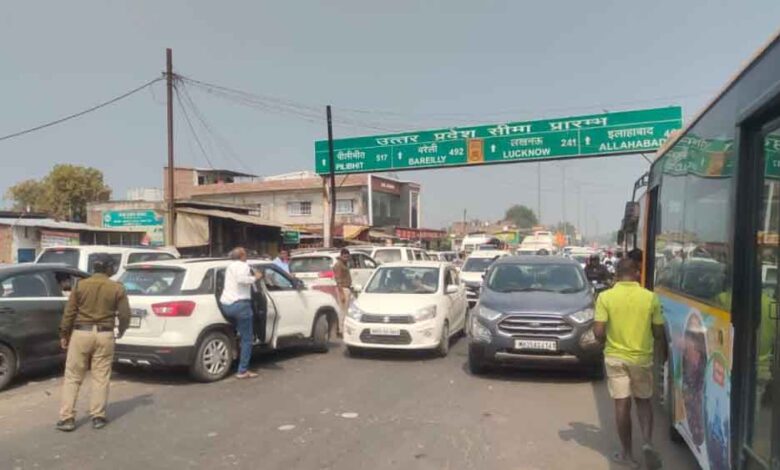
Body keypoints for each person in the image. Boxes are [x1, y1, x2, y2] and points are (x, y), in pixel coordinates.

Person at [593, 259, 665, 469]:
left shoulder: (605, 297)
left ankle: (627, 454)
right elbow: (658, 332)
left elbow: (598, 332)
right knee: (643, 401)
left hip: (615, 358)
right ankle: (647, 443)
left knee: (621, 404)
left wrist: (605, 341)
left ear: (616, 274)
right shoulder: (650, 298)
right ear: (637, 273)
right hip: (641, 358)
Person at [57, 253, 131, 432]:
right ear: (109, 268)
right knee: (101, 376)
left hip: (81, 333)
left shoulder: (80, 285)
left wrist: (64, 334)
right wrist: (121, 330)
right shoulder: (117, 288)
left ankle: (67, 418)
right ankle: (98, 416)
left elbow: (69, 313)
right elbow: (125, 315)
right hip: (105, 334)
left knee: (73, 376)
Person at [220, 247, 263, 379]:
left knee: (238, 332)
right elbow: (241, 280)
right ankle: (242, 370)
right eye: (245, 253)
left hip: (226, 305)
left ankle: (235, 350)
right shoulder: (243, 266)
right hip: (240, 305)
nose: (247, 255)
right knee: (247, 339)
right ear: (242, 255)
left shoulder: (229, 266)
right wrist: (255, 277)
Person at [333, 248, 352, 335]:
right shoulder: (338, 265)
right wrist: (341, 294)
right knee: (342, 310)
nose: (346, 258)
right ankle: (340, 330)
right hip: (342, 289)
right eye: (344, 257)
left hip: (347, 288)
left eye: (347, 257)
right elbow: (338, 280)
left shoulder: (345, 263)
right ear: (341, 256)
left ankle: (343, 328)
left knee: (346, 310)